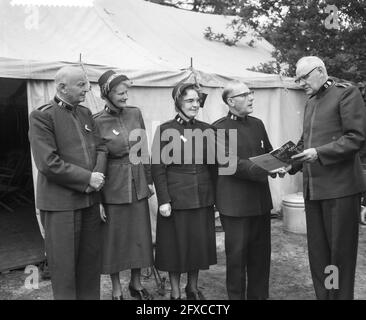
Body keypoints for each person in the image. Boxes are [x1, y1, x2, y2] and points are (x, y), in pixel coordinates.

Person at [289, 56, 366, 300]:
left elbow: (355, 138)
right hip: (314, 190)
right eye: (298, 79)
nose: (301, 83)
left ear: (320, 71)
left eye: (304, 77)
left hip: (340, 190)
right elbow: (306, 141)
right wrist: (287, 163)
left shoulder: (346, 93)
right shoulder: (312, 101)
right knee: (319, 254)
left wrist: (319, 153)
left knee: (340, 255)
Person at [28, 66, 108, 300]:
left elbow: (101, 147)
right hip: (61, 206)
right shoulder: (42, 116)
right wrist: (87, 179)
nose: (88, 89)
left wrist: (97, 178)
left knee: (90, 267)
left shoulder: (84, 113)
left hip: (90, 202)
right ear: (62, 87)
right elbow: (48, 162)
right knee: (64, 271)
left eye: (86, 84)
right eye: (81, 84)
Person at [212, 80, 280, 300]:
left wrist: (280, 163)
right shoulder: (218, 129)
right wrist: (263, 168)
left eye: (251, 93)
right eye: (245, 94)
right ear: (231, 101)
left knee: (261, 260)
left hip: (260, 204)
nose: (251, 97)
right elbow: (230, 163)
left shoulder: (258, 124)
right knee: (237, 261)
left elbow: (269, 153)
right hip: (235, 207)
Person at [151, 83, 217, 300]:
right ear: (178, 102)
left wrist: (215, 199)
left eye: (197, 101)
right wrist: (163, 200)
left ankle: (192, 287)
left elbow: (214, 166)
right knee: (175, 247)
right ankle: (176, 290)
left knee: (198, 245)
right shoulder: (165, 130)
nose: (195, 105)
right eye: (190, 100)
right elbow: (158, 168)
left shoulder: (207, 129)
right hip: (176, 199)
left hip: (202, 198)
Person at [94, 70, 154, 300]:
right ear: (106, 94)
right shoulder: (97, 121)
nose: (125, 96)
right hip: (113, 189)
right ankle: (117, 287)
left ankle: (136, 284)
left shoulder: (134, 114)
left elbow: (143, 149)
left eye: (126, 92)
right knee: (114, 240)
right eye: (120, 93)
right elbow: (96, 161)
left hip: (137, 183)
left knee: (139, 236)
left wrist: (148, 180)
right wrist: (98, 199)